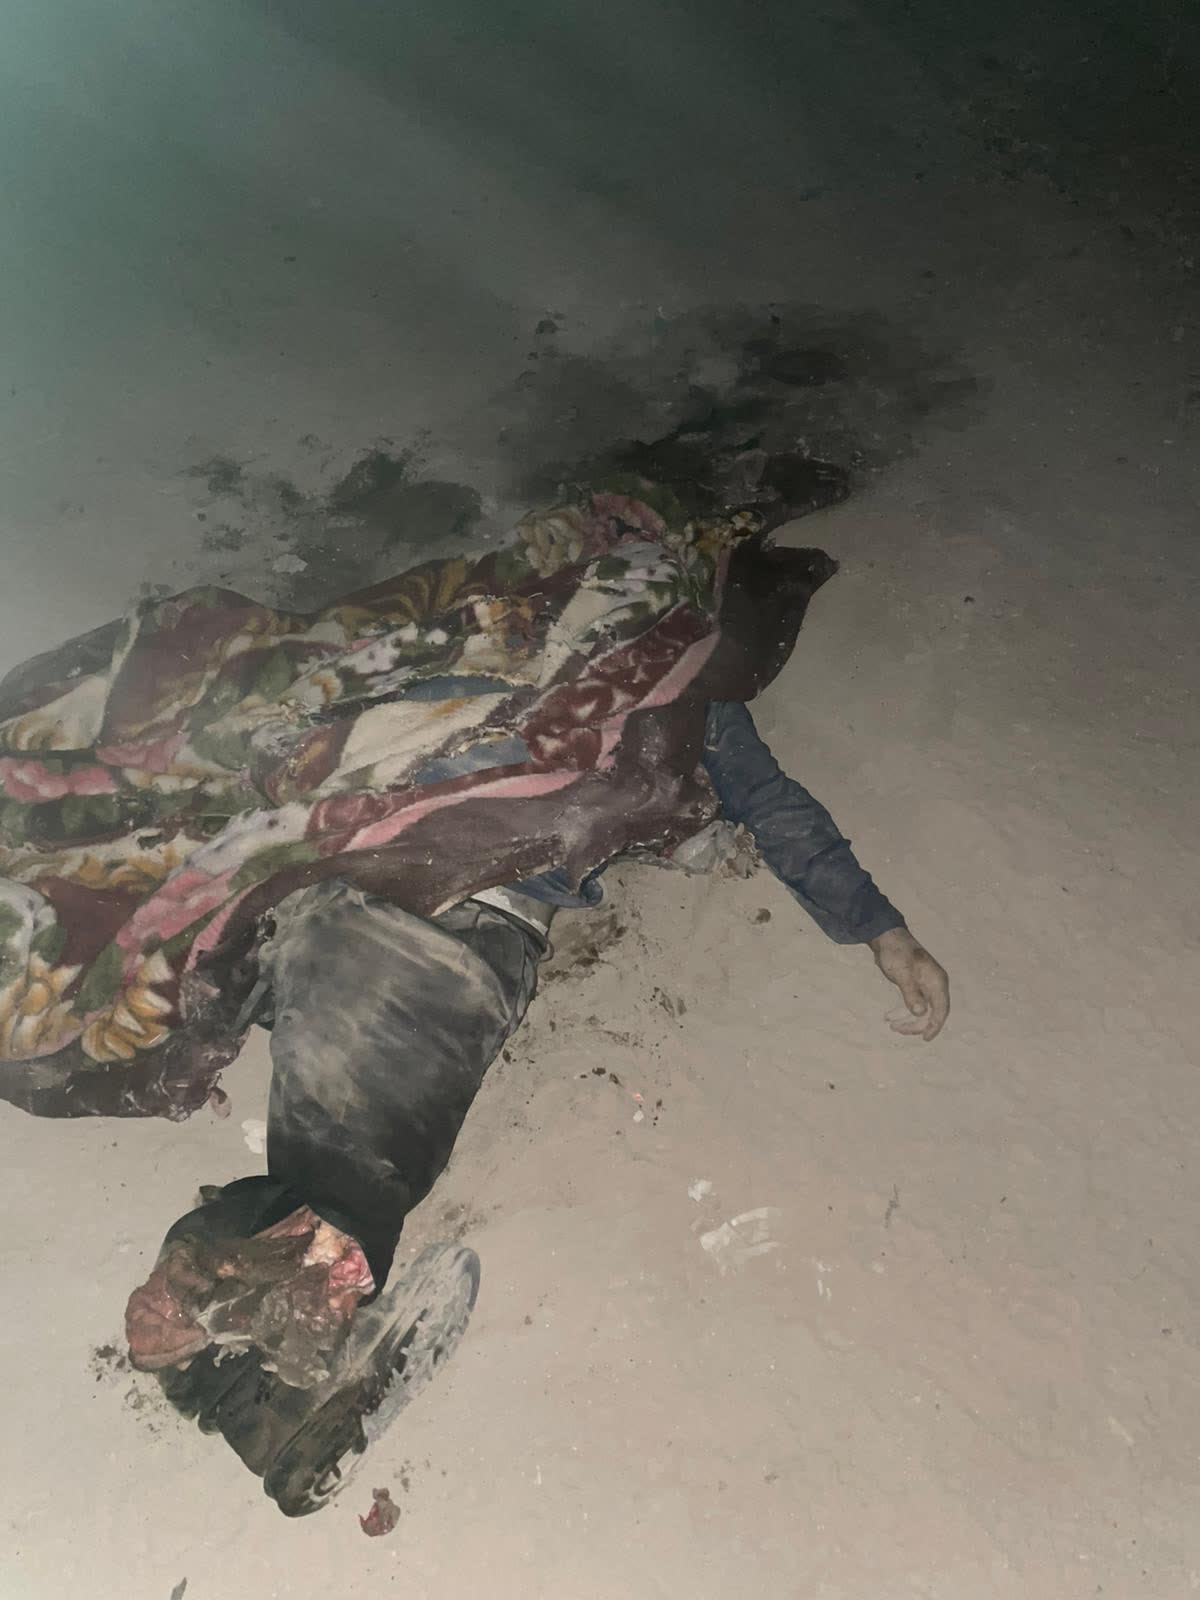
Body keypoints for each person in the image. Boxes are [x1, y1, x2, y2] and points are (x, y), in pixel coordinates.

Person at [122, 697, 949, 1516]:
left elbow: (764, 796)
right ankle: (253, 1337)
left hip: (421, 932)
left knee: (348, 1117)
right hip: (359, 906)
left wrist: (881, 930)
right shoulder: (469, 649)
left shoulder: (666, 675)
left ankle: (244, 1338)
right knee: (345, 1127)